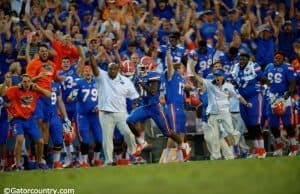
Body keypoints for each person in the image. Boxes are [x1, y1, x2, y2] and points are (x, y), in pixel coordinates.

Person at [126, 56, 189, 162]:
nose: (142, 69)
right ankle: (141, 142)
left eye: (144, 67)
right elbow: (139, 92)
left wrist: (142, 83)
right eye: (141, 67)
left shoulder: (154, 75)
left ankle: (182, 145)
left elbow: (153, 92)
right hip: (145, 106)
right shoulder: (140, 77)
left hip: (156, 108)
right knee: (129, 120)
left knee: (168, 132)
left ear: (150, 66)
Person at [89, 50, 139, 165]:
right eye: (110, 69)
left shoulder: (126, 81)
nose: (112, 70)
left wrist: (135, 108)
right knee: (107, 138)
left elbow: (134, 96)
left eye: (114, 68)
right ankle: (109, 161)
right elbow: (95, 68)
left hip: (122, 113)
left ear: (118, 70)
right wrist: (91, 56)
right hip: (106, 113)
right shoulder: (102, 76)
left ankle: (133, 155)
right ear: (107, 70)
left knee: (129, 134)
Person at [192, 68, 250, 160]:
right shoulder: (203, 91)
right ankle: (226, 156)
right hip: (206, 118)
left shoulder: (210, 91)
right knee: (215, 138)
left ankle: (222, 155)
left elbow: (207, 103)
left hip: (215, 117)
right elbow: (201, 105)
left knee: (215, 138)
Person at [4, 74, 51, 170]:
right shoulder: (15, 89)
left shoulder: (35, 90)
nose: (26, 84)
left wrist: (38, 88)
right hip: (17, 119)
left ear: (31, 82)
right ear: (21, 83)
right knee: (20, 139)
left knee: (40, 141)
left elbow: (49, 95)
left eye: (28, 81)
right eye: (24, 82)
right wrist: (8, 107)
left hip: (30, 119)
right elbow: (4, 96)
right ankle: (17, 165)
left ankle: (39, 162)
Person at [26, 43, 62, 163]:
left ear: (48, 52)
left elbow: (55, 78)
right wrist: (38, 77)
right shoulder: (33, 64)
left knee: (46, 125)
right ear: (38, 53)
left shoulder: (52, 65)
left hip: (47, 98)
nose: (44, 53)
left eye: (46, 51)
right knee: (39, 123)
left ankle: (44, 154)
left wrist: (61, 79)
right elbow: (27, 81)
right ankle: (35, 151)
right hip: (36, 97)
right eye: (41, 51)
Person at [231, 53, 266, 158]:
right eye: (240, 59)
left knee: (255, 123)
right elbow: (235, 83)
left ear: (248, 60)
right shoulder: (236, 67)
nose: (241, 61)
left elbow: (263, 79)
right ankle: (256, 150)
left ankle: (262, 150)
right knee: (249, 124)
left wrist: (263, 88)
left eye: (244, 59)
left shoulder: (253, 66)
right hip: (242, 99)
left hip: (254, 97)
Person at [68, 66, 104, 168]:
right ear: (82, 73)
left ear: (92, 73)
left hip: (95, 116)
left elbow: (103, 97)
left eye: (89, 71)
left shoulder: (97, 83)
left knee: (99, 139)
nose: (87, 73)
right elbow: (71, 97)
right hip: (83, 116)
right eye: (85, 71)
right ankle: (83, 161)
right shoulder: (78, 83)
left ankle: (96, 159)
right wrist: (70, 97)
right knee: (86, 140)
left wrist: (99, 106)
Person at [263, 51, 297, 156]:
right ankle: (279, 147)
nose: (277, 60)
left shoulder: (288, 67)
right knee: (273, 125)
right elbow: (264, 79)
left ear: (283, 59)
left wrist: (288, 93)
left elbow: (292, 82)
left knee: (287, 124)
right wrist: (266, 87)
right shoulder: (268, 67)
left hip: (283, 97)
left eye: (279, 58)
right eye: (275, 58)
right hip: (272, 97)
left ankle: (294, 147)